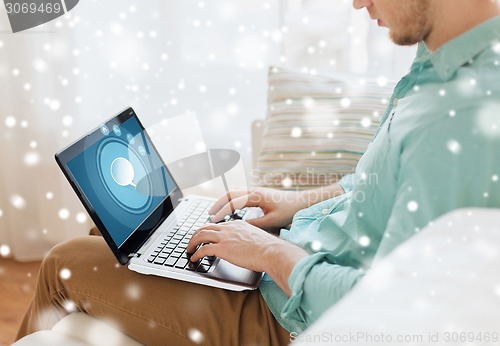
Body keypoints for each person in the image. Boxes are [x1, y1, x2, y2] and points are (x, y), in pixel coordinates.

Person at [17, 0, 500, 345]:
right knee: (123, 238)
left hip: (286, 317)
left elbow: (400, 312)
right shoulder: (438, 63)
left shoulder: (461, 116)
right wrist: (297, 204)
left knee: (66, 261)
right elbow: (374, 190)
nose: (356, 4)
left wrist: (272, 254)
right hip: (293, 261)